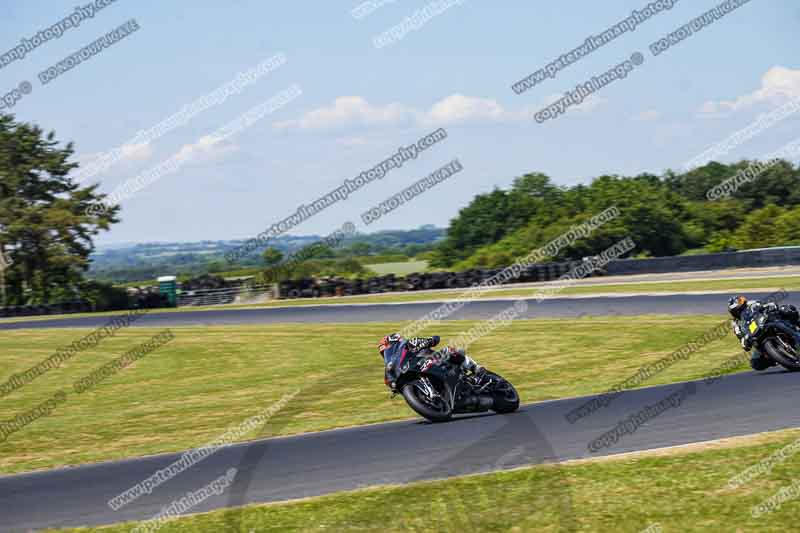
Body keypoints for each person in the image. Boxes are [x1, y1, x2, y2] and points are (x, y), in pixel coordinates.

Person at [378, 333, 483, 390]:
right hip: (420, 374)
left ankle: (476, 368)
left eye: (388, 348)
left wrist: (430, 341)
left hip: (435, 361)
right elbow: (391, 382)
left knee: (450, 350)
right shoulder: (392, 367)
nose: (387, 353)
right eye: (384, 353)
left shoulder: (410, 344)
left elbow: (434, 339)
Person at [728, 295, 800, 370]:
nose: (740, 310)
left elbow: (765, 304)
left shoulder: (752, 303)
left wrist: (770, 306)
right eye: (737, 310)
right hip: (757, 336)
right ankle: (777, 358)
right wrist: (745, 342)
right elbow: (740, 337)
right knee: (755, 363)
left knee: (787, 309)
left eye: (740, 307)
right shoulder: (736, 324)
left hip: (766, 321)